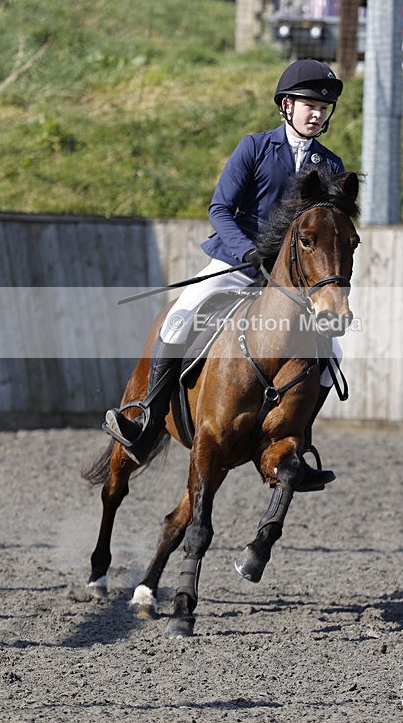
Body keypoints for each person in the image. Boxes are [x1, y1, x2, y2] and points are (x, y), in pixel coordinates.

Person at [104, 59, 346, 488]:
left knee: (334, 356)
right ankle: (148, 418)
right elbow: (220, 209)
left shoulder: (330, 164)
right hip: (238, 262)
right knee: (180, 318)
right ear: (286, 106)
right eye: (309, 105)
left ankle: (299, 440)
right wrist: (245, 251)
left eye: (323, 108)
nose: (316, 114)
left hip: (291, 281)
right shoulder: (254, 147)